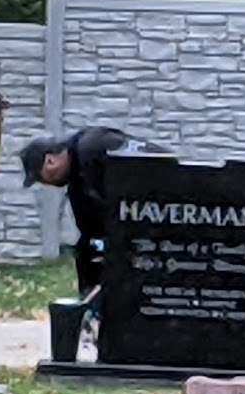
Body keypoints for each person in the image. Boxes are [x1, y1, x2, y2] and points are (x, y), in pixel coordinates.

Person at [20, 127, 161, 296]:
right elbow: (89, 228)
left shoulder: (92, 148)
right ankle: (93, 302)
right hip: (135, 215)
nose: (45, 183)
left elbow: (143, 175)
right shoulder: (77, 178)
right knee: (86, 248)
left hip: (159, 203)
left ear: (50, 161)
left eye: (40, 177)